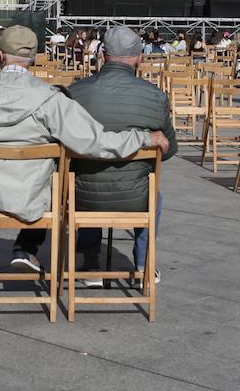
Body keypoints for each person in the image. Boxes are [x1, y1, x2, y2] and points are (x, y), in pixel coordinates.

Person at [0, 25, 170, 273]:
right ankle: (25, 246)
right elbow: (95, 141)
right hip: (35, 199)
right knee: (58, 178)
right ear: (33, 57)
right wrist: (141, 138)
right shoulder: (51, 100)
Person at [68, 26, 176, 285]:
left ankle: (91, 262)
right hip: (135, 196)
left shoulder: (76, 93)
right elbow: (169, 149)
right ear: (139, 57)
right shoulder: (155, 96)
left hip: (82, 195)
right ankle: (142, 265)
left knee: (88, 175)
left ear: (102, 54)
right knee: (153, 195)